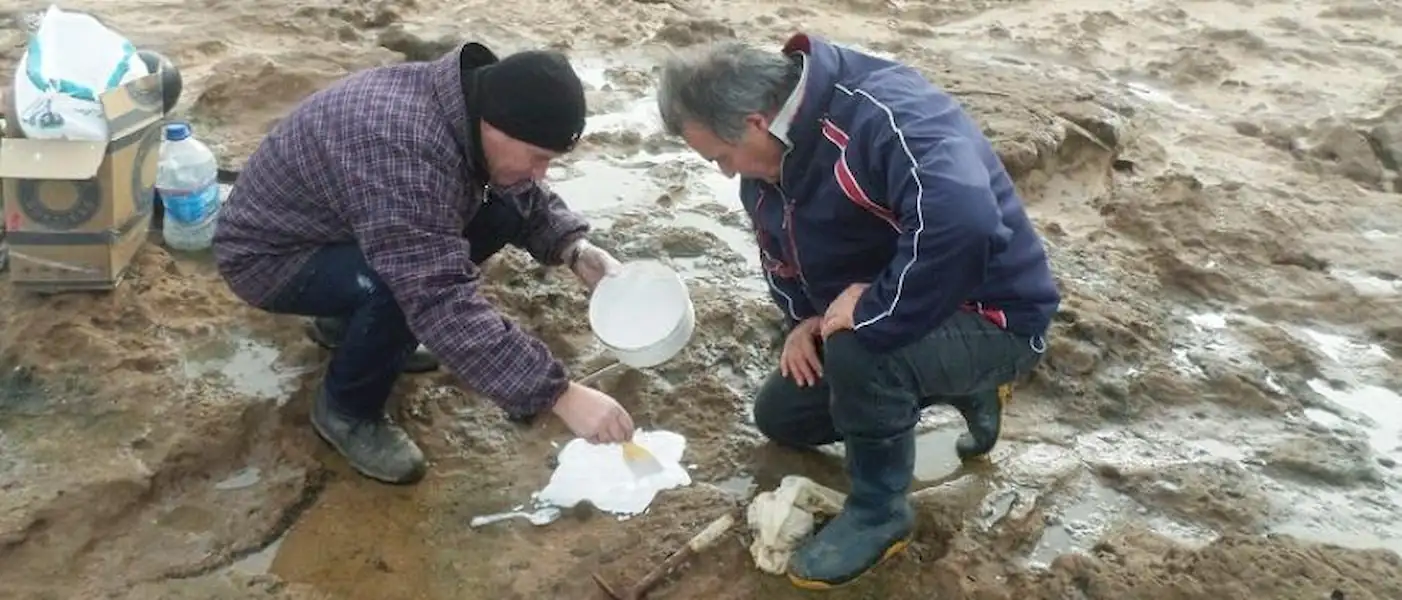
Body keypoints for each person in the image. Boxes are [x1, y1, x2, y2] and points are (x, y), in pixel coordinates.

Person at [656, 35, 1060, 589]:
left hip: (995, 316)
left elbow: (965, 224)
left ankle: (880, 511)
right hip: (913, 307)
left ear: (755, 122)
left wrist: (872, 310)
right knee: (782, 416)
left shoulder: (884, 115)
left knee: (861, 348)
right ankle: (963, 387)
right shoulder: (769, 162)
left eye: (720, 158)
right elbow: (785, 254)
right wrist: (802, 320)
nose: (725, 173)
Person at [213, 43, 637, 486]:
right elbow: (437, 297)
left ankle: (348, 328)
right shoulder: (406, 151)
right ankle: (347, 411)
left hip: (338, 228)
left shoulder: (466, 107)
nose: (540, 173)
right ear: (495, 126)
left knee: (502, 206)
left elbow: (520, 196)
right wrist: (560, 395)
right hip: (270, 257)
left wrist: (575, 249)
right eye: (538, 157)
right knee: (402, 286)